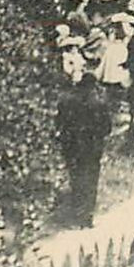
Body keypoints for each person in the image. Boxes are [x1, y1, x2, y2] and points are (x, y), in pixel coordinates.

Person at [56, 66, 112, 228]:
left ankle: (76, 215)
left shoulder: (66, 100)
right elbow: (107, 127)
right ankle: (87, 217)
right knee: (91, 180)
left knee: (76, 179)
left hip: (72, 147)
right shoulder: (99, 102)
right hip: (92, 148)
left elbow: (59, 124)